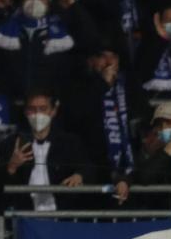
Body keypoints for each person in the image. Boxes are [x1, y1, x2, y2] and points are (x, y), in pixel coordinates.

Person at [63, 41, 147, 206]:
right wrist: (101, 85)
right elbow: (76, 118)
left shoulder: (130, 87)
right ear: (91, 60)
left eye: (113, 57)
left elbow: (141, 121)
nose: (108, 62)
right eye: (103, 56)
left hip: (128, 174)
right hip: (93, 173)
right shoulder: (79, 86)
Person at [0, 88, 90, 211]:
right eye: (32, 109)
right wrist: (12, 167)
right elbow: (0, 188)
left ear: (53, 111)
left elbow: (88, 167)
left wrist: (80, 175)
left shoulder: (69, 143)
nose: (37, 114)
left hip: (62, 215)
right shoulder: (10, 144)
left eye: (43, 109)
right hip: (26, 216)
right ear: (25, 111)